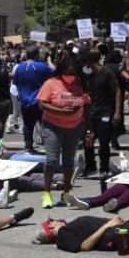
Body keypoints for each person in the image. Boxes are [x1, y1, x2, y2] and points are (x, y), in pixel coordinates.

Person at [36, 53, 91, 210]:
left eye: (73, 74)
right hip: (52, 126)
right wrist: (62, 112)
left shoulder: (81, 84)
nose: (70, 77)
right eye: (67, 73)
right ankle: (46, 193)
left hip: (74, 127)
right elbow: (42, 104)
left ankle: (66, 193)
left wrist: (89, 129)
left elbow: (86, 107)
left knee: (68, 162)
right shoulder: (51, 83)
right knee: (51, 160)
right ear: (61, 71)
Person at [81, 50, 122, 177]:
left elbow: (117, 91)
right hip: (91, 113)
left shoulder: (107, 73)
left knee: (104, 143)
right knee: (88, 141)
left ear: (89, 61)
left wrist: (117, 112)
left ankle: (104, 168)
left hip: (105, 112)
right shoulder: (89, 76)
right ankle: (90, 166)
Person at [12, 45, 53, 153]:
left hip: (25, 102)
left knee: (27, 126)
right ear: (36, 55)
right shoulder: (42, 66)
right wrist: (49, 60)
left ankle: (28, 147)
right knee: (45, 126)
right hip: (40, 102)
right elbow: (54, 74)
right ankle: (47, 146)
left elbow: (16, 83)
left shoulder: (19, 67)